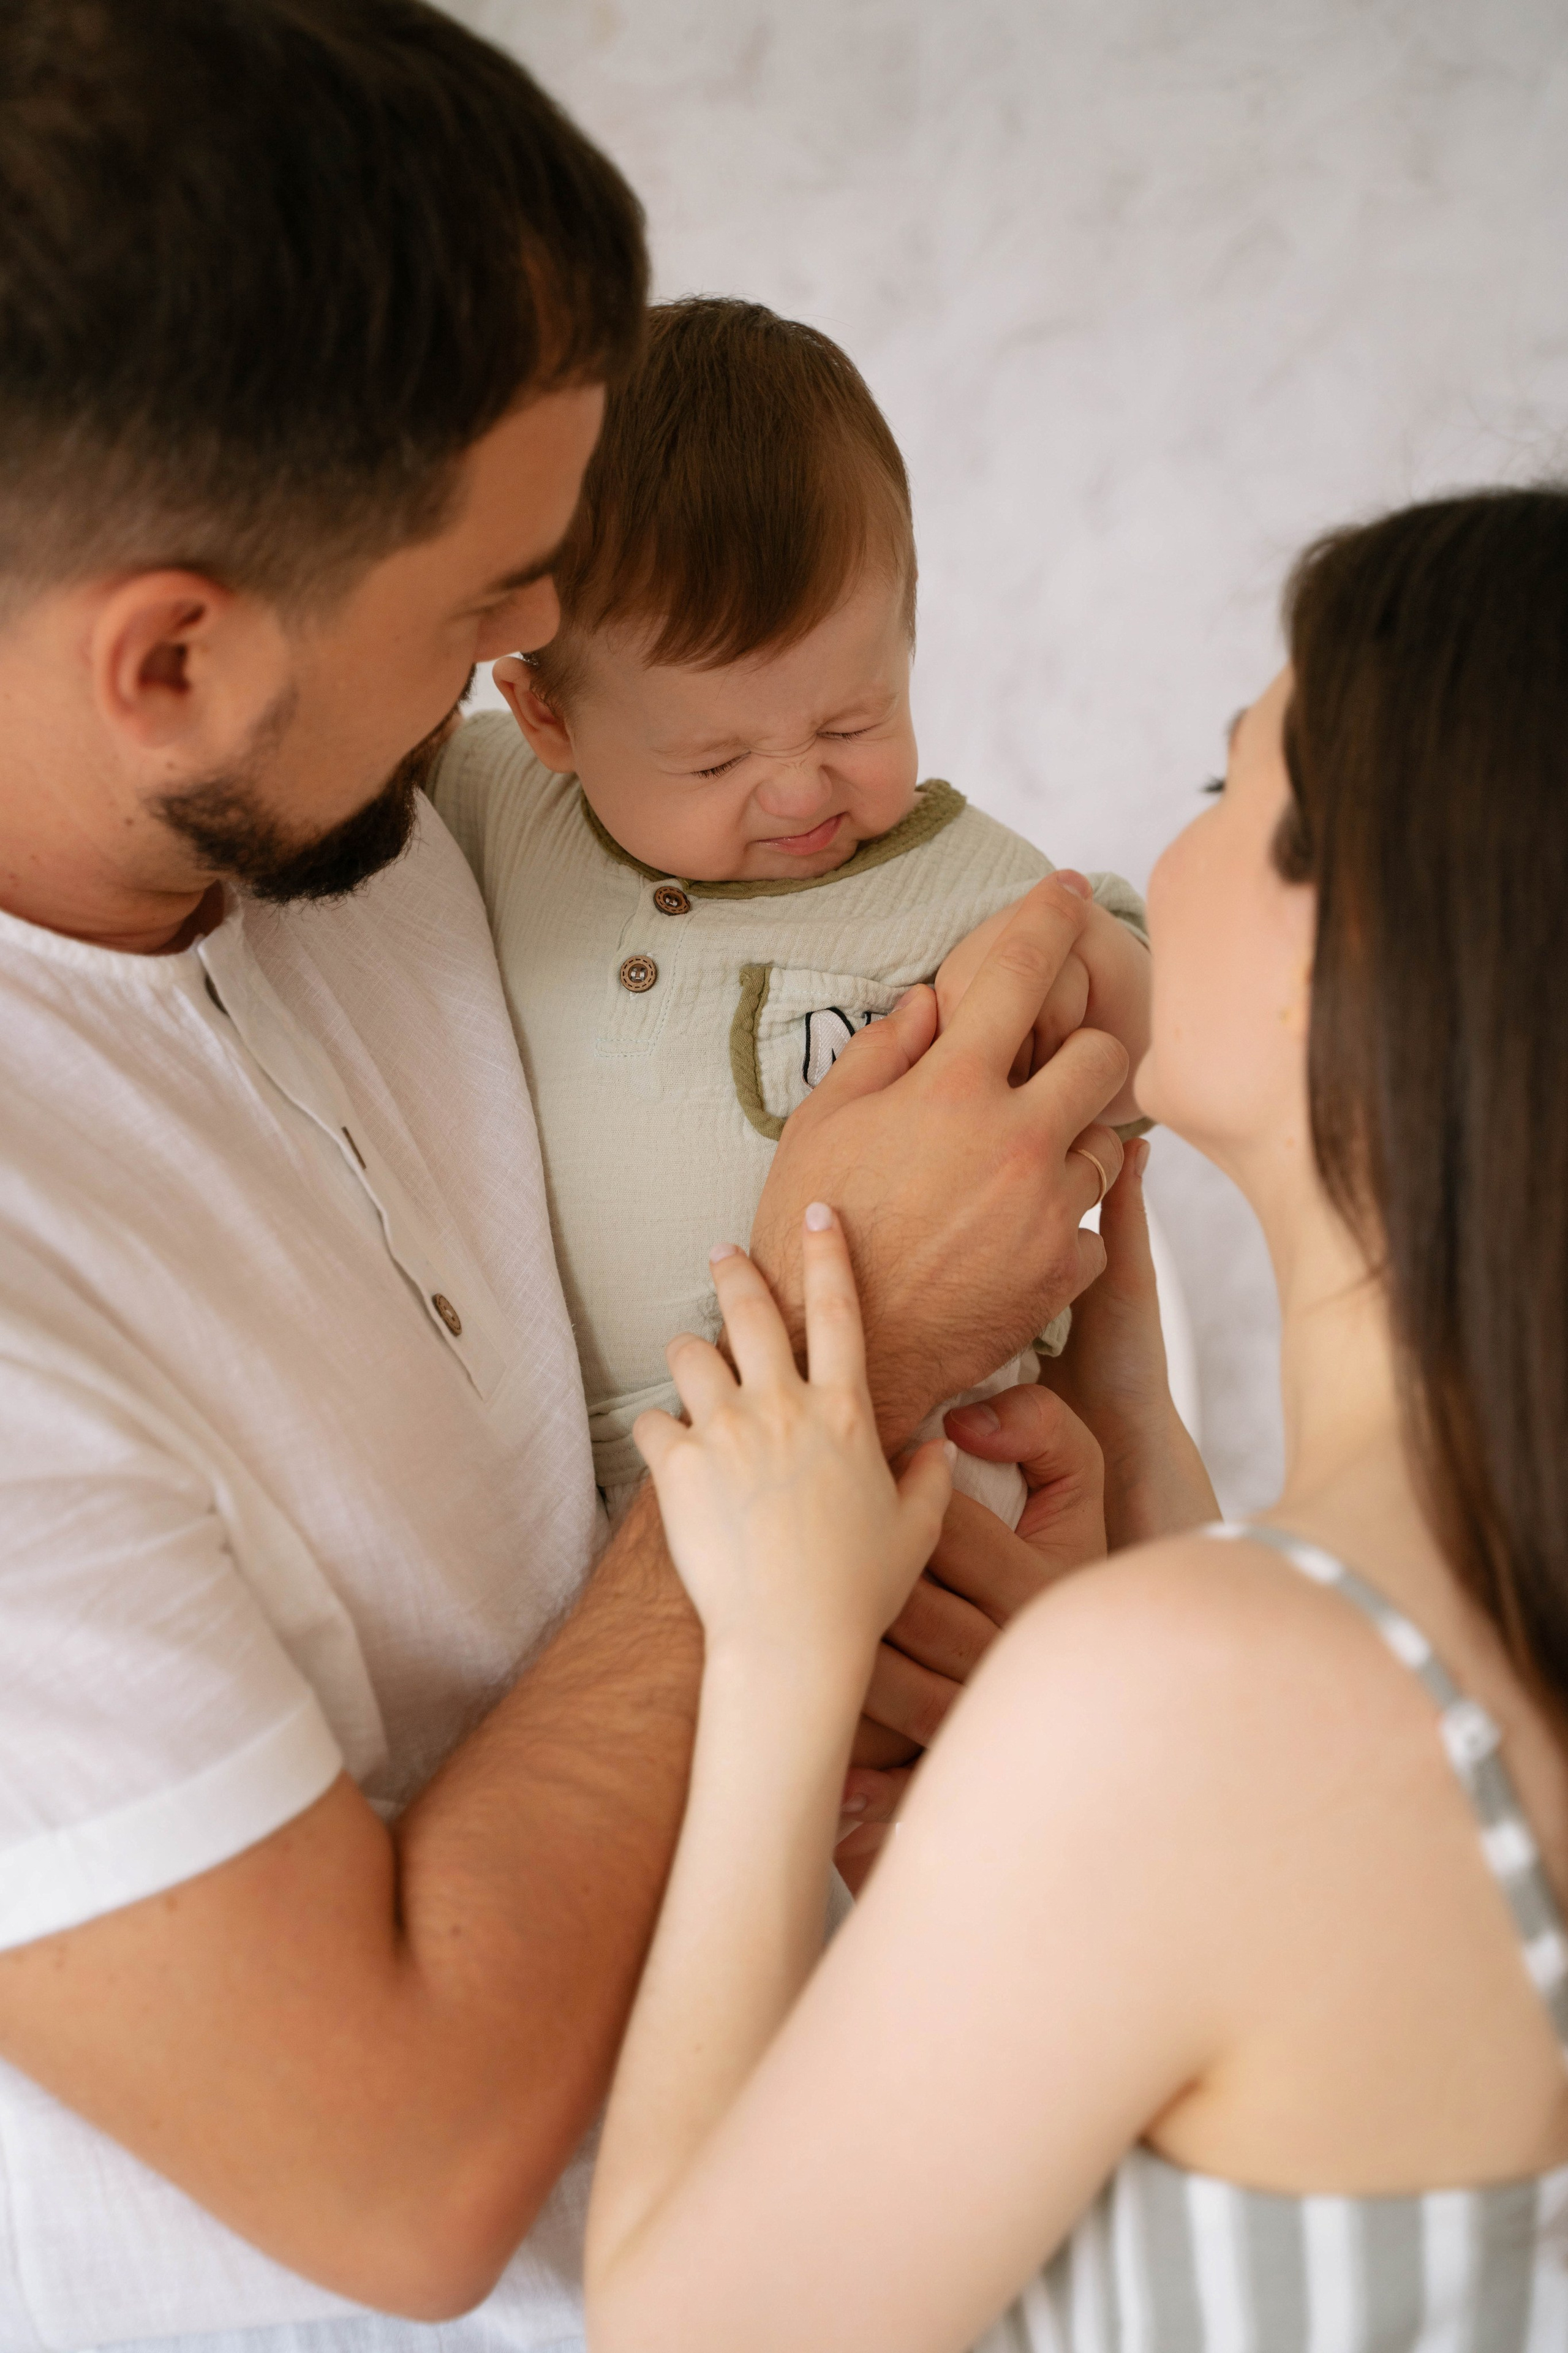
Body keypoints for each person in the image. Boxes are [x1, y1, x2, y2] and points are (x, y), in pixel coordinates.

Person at [0, 4, 1130, 2347]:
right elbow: (395, 2176)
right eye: (488, 607)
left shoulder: (400, 831)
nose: (547, 654)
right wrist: (841, 1352)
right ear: (173, 663)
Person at [581, 489, 1568, 2353]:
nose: (1138, 860)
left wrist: (783, 1660)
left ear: (1349, 938)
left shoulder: (1217, 1699)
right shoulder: (1350, 1664)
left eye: (1220, 790)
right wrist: (1150, 1468)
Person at [430, 295, 1152, 1540]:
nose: (801, 788)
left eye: (850, 722)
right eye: (712, 762)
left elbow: (1157, 1034)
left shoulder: (969, 889)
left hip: (929, 1455)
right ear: (546, 718)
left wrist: (1105, 989)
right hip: (609, 1494)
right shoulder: (498, 806)